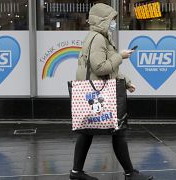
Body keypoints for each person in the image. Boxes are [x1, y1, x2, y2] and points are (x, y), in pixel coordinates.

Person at [70, 3, 153, 180]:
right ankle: (130, 173)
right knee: (118, 131)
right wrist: (120, 56)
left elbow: (109, 69)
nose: (114, 23)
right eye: (112, 20)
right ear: (102, 20)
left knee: (87, 131)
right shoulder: (99, 39)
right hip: (99, 94)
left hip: (94, 92)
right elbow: (100, 68)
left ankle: (76, 172)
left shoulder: (98, 36)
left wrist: (127, 81)